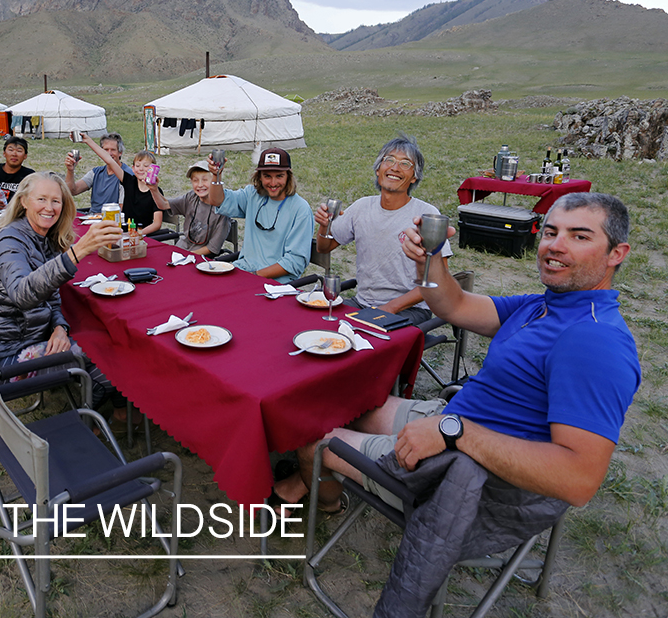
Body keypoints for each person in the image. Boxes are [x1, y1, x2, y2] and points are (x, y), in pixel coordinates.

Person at [272, 192, 640, 522]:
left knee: (313, 442)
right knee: (341, 403)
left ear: (616, 254)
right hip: (458, 422)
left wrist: (457, 433)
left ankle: (328, 504)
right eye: (550, 232)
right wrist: (429, 261)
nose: (556, 246)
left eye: (579, 236)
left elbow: (577, 480)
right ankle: (313, 477)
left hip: (465, 474)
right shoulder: (543, 306)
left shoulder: (595, 341)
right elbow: (457, 304)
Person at [0, 173, 127, 416]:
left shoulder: (44, 239)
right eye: (41, 199)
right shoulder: (9, 239)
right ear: (23, 201)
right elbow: (22, 293)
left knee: (103, 340)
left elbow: (51, 296)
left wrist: (59, 328)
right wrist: (80, 249)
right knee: (108, 356)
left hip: (30, 338)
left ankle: (115, 412)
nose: (49, 207)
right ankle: (86, 419)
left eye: (56, 201)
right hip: (3, 357)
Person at [315, 134, 451, 325]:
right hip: (362, 304)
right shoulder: (362, 207)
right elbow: (324, 247)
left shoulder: (426, 215)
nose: (395, 167)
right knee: (318, 324)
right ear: (378, 170)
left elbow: (440, 278)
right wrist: (324, 224)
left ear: (414, 177)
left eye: (405, 163)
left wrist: (390, 308)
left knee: (365, 339)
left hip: (410, 309)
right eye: (389, 160)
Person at [206, 148, 313, 282]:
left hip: (275, 283)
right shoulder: (253, 195)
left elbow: (295, 261)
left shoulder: (301, 209)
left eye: (279, 176)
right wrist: (217, 175)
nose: (273, 183)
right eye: (267, 176)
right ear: (259, 177)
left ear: (288, 176)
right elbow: (217, 201)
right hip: (244, 271)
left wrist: (255, 275)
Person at [79, 133, 165, 235]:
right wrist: (88, 141)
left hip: (144, 236)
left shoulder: (156, 192)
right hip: (122, 232)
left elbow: (157, 223)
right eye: (138, 165)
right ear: (133, 168)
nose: (141, 169)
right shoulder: (129, 181)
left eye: (146, 166)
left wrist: (138, 233)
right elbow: (109, 161)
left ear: (153, 169)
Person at [153, 159, 232, 256]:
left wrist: (187, 255)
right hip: (181, 249)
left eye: (205, 180)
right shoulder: (191, 197)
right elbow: (164, 205)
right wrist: (153, 189)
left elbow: (212, 248)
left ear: (214, 180)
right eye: (195, 180)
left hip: (201, 258)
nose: (200, 185)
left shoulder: (222, 210)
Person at [64, 132, 133, 212]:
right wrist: (70, 170)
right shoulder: (96, 172)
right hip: (92, 217)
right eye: (106, 150)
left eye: (113, 150)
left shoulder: (126, 175)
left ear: (120, 152)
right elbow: (72, 191)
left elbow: (123, 210)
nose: (109, 154)